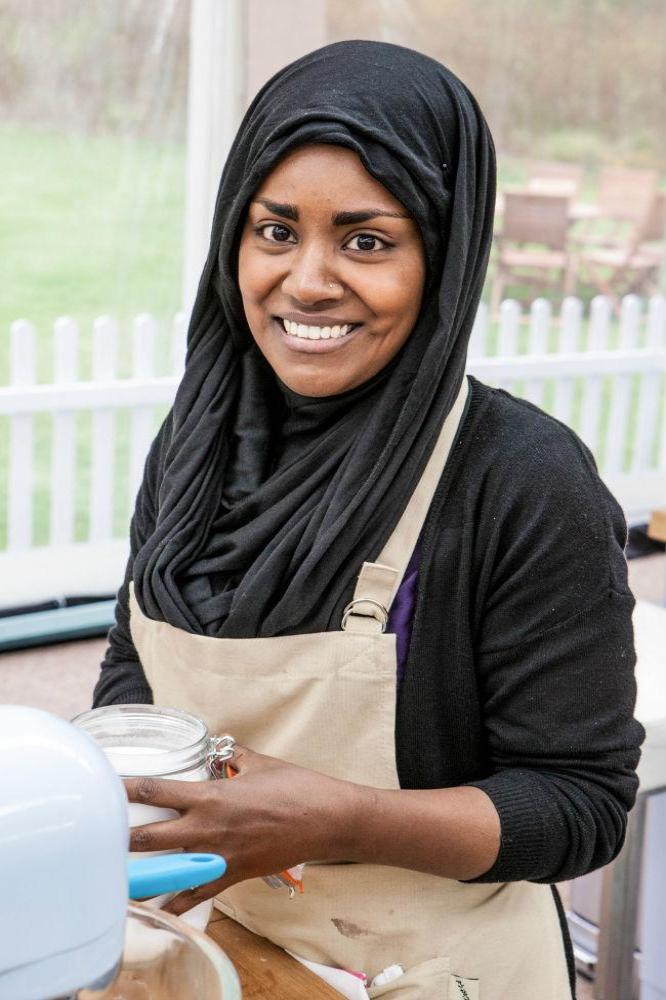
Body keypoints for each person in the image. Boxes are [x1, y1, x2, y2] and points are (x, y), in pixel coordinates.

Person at [93, 41, 644, 998]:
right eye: (275, 231)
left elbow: (579, 804)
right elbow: (134, 668)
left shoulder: (519, 479)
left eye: (367, 241)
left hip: (432, 970)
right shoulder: (198, 443)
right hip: (222, 945)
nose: (307, 281)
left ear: (444, 256)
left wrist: (339, 820)